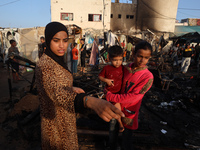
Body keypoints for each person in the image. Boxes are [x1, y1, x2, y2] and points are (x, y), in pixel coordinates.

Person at [35, 22, 124, 150]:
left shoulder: (56, 60)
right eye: (56, 41)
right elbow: (56, 93)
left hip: (66, 118)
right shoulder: (45, 65)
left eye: (65, 41)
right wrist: (87, 101)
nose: (61, 45)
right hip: (55, 125)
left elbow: (56, 84)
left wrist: (70, 88)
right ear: (48, 40)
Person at [105, 41, 154, 150]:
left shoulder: (147, 77)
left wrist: (111, 97)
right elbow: (115, 82)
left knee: (126, 139)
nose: (142, 60)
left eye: (146, 58)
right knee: (112, 131)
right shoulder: (125, 69)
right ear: (133, 54)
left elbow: (134, 97)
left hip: (129, 112)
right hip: (116, 106)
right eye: (140, 56)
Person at [98, 45, 124, 149]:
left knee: (117, 111)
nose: (118, 62)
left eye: (120, 60)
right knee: (114, 115)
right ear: (109, 58)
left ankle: (118, 130)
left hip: (120, 95)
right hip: (110, 95)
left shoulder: (123, 69)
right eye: (115, 60)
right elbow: (100, 77)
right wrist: (106, 80)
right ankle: (119, 126)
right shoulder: (106, 68)